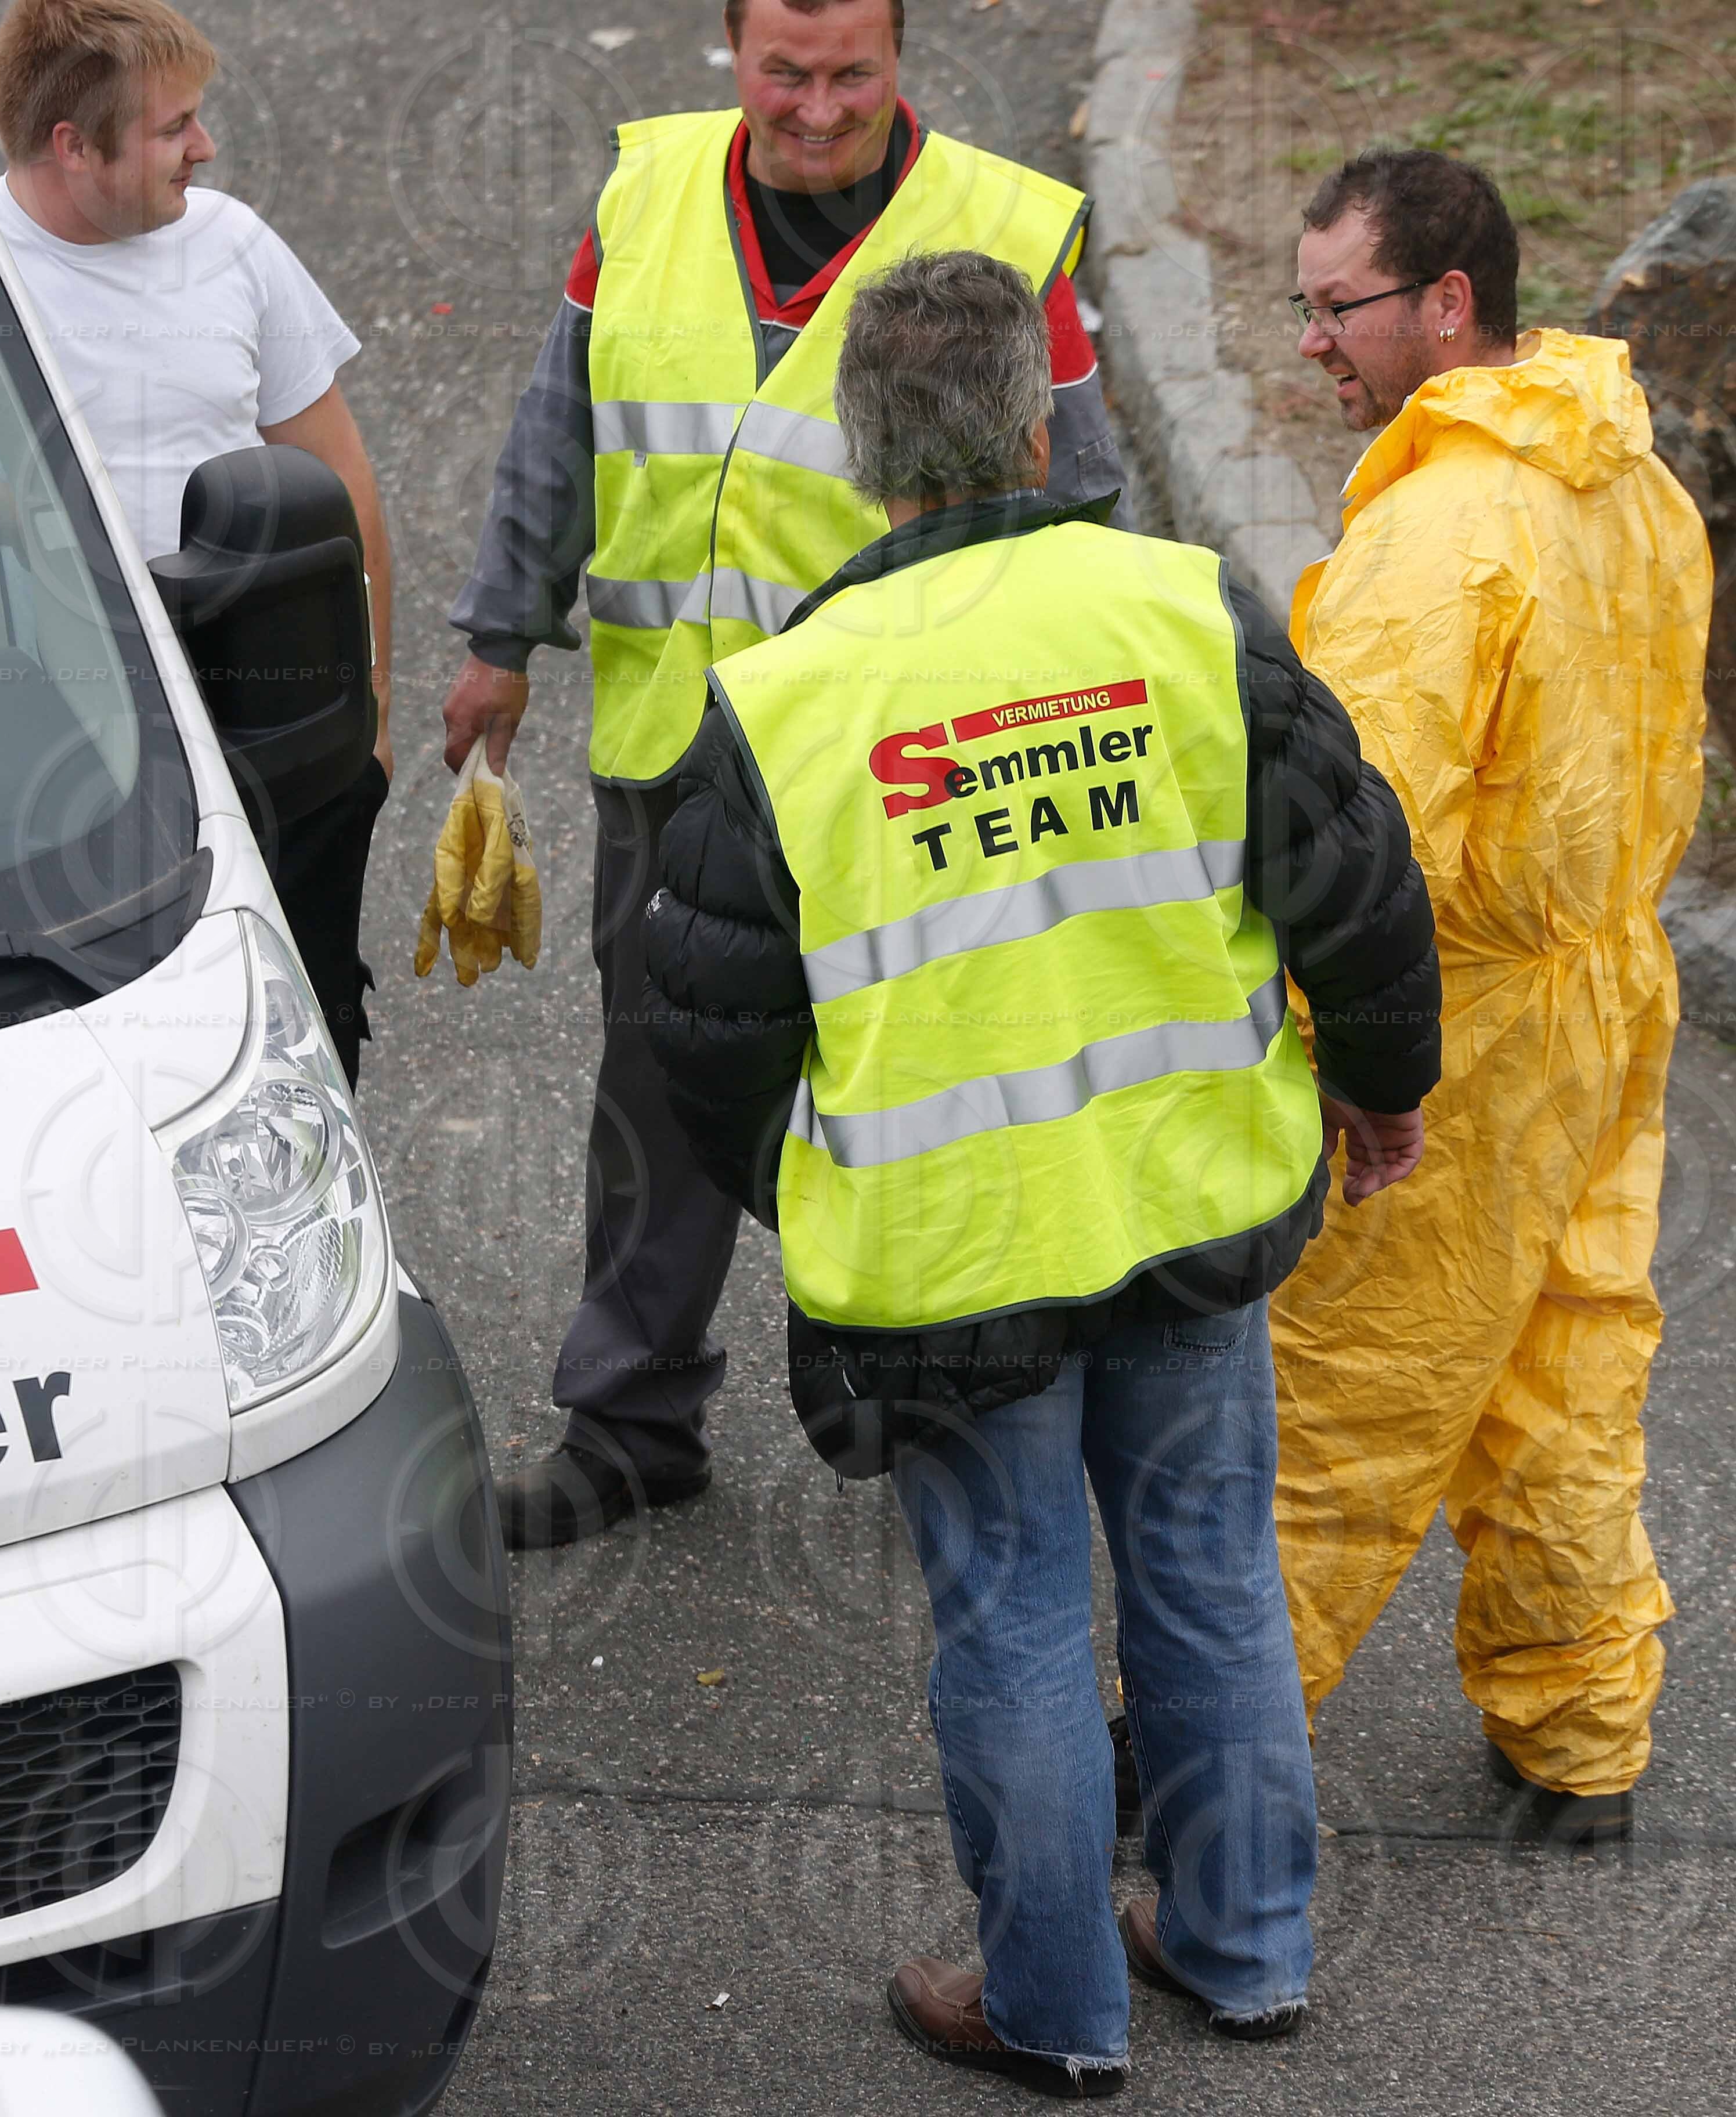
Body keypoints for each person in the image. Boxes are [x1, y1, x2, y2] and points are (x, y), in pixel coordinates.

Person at [643, 251, 1440, 2094]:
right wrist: (1384, 1090)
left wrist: (814, 1176)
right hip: (1190, 1202)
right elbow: (1359, 880)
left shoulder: (784, 703)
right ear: (1035, 420)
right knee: (1211, 1572)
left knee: (1009, 1612)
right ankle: (1243, 1951)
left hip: (951, 1257)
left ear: (865, 458)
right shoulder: (1184, 614)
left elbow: (703, 1031)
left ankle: (1057, 2009)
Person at [445, 0, 1131, 1548]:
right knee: (661, 1098)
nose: (816, 110)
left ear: (901, 69)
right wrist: (501, 633)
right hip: (676, 759)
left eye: (850, 78)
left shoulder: (1009, 233)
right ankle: (633, 1424)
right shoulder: (644, 199)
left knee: (934, 1081)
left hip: (898, 769)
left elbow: (1084, 494)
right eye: (784, 73)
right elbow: (560, 432)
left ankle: (951, 1406)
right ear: (733, 58)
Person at [1269, 148, 1710, 1843]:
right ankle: (1579, 1735)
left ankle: (1188, 1754)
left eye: (1338, 308)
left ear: (1445, 303)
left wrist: (1319, 1047)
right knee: (1569, 1364)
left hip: (1459, 1037)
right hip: (1608, 999)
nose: (1315, 344)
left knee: (1343, 1403)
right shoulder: (1629, 476)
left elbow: (1353, 838)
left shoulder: (1443, 534)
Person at [0, 0, 392, 1081]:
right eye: (175, 128)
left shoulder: (234, 245)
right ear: (74, 147)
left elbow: (340, 485)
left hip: (269, 732)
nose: (203, 149)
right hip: (59, 765)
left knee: (299, 1041)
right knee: (103, 1061)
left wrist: (367, 718)